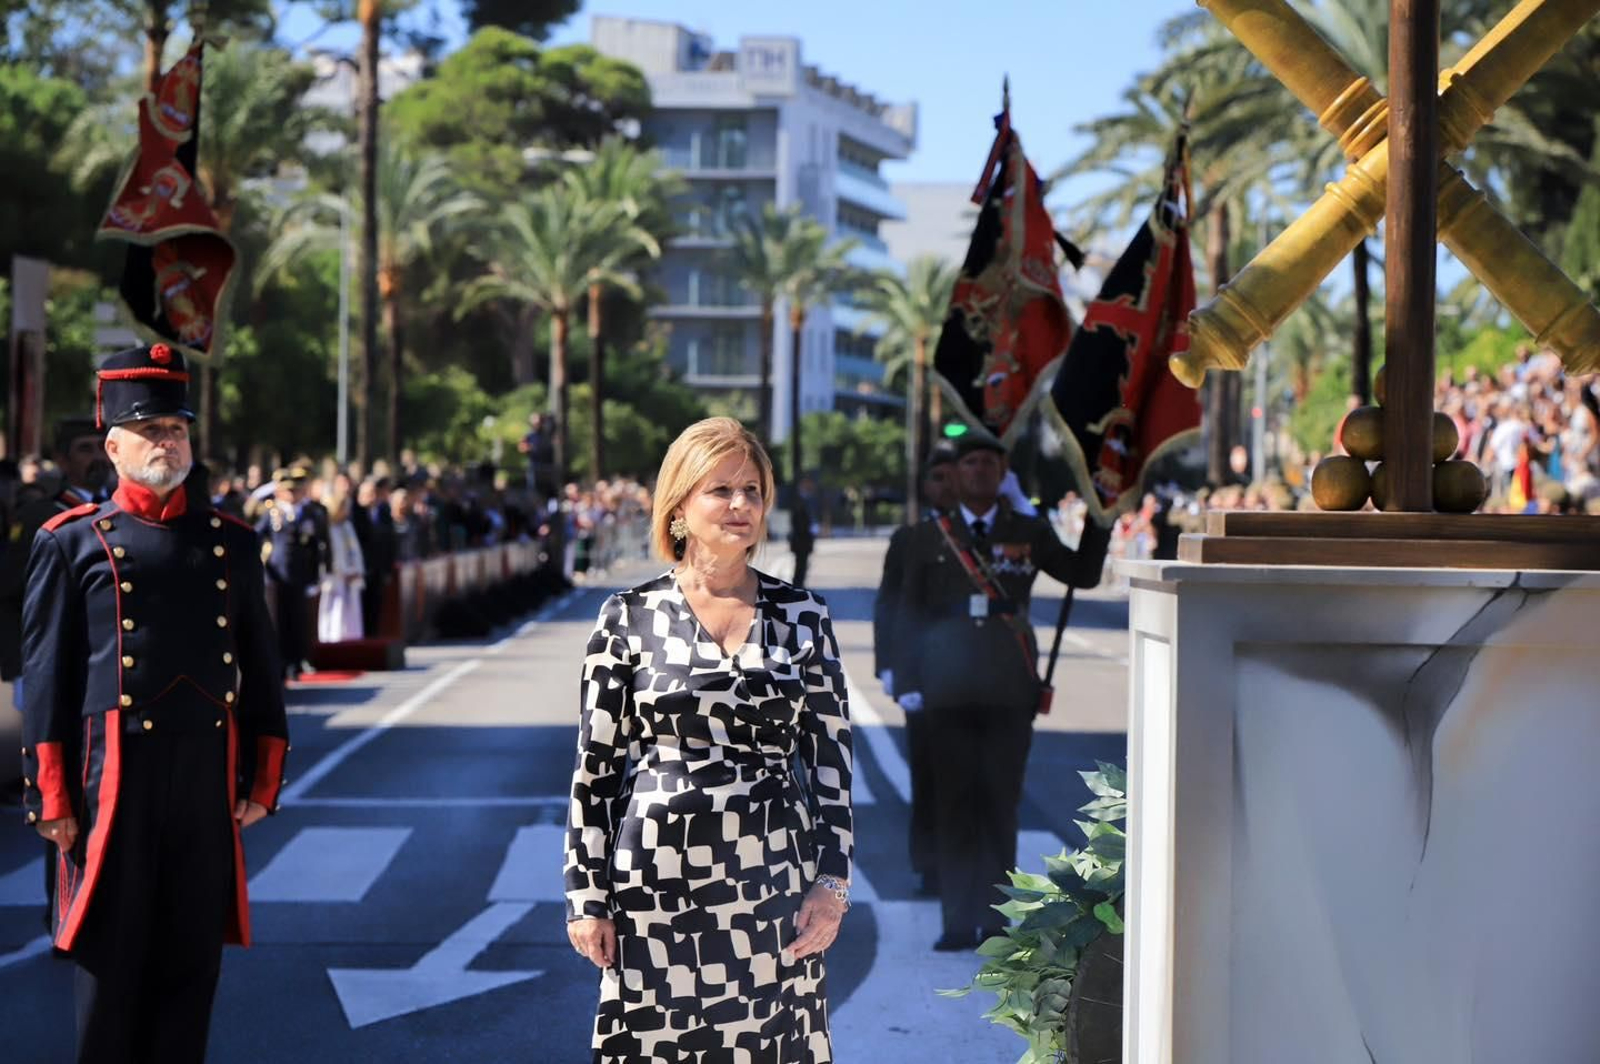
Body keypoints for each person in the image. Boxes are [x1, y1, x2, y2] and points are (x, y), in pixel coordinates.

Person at [18, 343, 288, 1063]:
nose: (168, 442)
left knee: (191, 971)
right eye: (151, 430)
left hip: (204, 776)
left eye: (177, 429)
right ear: (113, 445)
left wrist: (263, 778)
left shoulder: (231, 542)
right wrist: (51, 795)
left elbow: (262, 667)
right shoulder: (70, 541)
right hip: (112, 782)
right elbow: (45, 676)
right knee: (111, 976)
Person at [564, 416, 853, 1062]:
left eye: (752, 490)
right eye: (720, 490)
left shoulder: (804, 616)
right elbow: (596, 772)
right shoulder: (628, 617)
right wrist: (587, 896)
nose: (740, 505)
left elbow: (832, 765)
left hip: (773, 885)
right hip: (656, 888)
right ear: (679, 506)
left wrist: (832, 886)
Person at [890, 432, 1110, 951]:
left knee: (999, 803)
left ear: (1002, 471)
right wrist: (906, 679)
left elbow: (1084, 574)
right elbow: (907, 612)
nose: (979, 472)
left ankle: (992, 920)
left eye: (989, 463)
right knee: (954, 805)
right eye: (969, 464)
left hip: (1009, 686)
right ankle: (956, 921)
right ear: (959, 473)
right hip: (945, 687)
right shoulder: (929, 538)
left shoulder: (1028, 531)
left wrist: (1103, 515)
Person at [0, 416, 109, 936]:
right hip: (52, 669)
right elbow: (17, 593)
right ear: (63, 459)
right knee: (58, 787)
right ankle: (60, 907)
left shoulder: (118, 509)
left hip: (104, 674)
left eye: (100, 447)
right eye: (84, 449)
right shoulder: (46, 514)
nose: (96, 457)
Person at [874, 445, 957, 896]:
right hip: (921, 676)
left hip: (971, 677)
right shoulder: (908, 539)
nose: (947, 485)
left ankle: (970, 866)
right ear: (925, 487)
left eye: (953, 476)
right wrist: (889, 667)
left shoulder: (982, 536)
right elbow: (888, 604)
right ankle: (929, 866)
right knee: (927, 775)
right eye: (938, 477)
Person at [258, 466, 328, 679]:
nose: (292, 495)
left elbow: (318, 545)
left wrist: (316, 576)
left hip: (301, 574)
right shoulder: (271, 512)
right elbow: (255, 536)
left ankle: (299, 660)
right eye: (287, 491)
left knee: (300, 620)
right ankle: (281, 662)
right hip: (277, 575)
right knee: (278, 621)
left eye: (295, 491)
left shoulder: (310, 513)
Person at [318, 490, 366, 643]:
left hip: (349, 575)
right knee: (333, 609)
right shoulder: (327, 528)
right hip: (334, 576)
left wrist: (356, 570)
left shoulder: (346, 527)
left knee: (350, 611)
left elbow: (354, 550)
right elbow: (329, 553)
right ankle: (330, 639)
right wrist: (341, 571)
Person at [788, 475, 818, 586]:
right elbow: (798, 521)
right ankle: (797, 585)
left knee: (803, 564)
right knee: (800, 564)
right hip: (800, 539)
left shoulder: (807, 500)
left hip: (804, 539)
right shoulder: (799, 501)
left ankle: (800, 585)